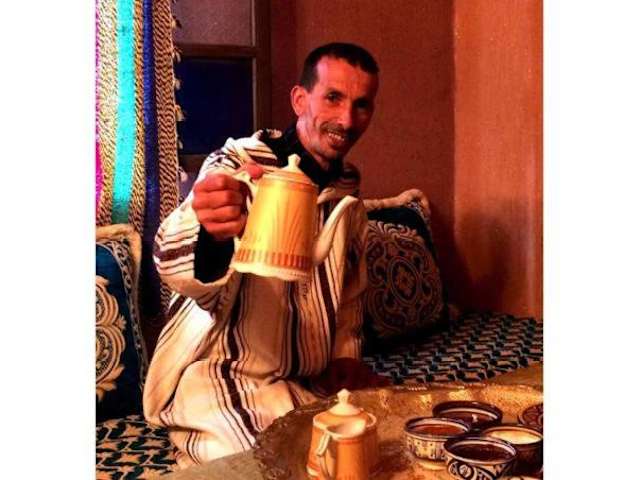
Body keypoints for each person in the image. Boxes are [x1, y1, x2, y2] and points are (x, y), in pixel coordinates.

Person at [144, 42, 388, 468]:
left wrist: (344, 361)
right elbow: (171, 262)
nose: (347, 120)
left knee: (367, 451)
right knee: (267, 464)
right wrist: (212, 229)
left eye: (361, 105)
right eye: (333, 97)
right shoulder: (240, 164)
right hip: (220, 376)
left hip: (303, 382)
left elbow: (350, 298)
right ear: (299, 100)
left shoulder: (347, 193)